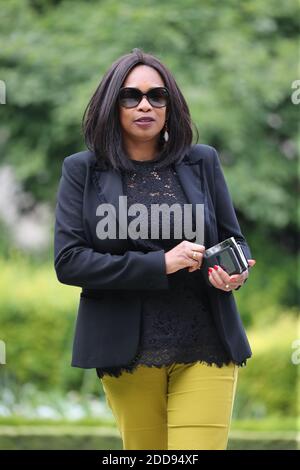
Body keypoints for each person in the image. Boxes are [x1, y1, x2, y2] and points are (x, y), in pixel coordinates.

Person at [54, 48, 256, 450]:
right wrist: (160, 263)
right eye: (131, 96)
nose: (144, 105)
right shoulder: (82, 170)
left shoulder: (202, 161)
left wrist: (235, 271)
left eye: (156, 96)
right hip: (126, 351)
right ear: (113, 105)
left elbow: (233, 238)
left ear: (170, 105)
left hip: (207, 342)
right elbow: (69, 261)